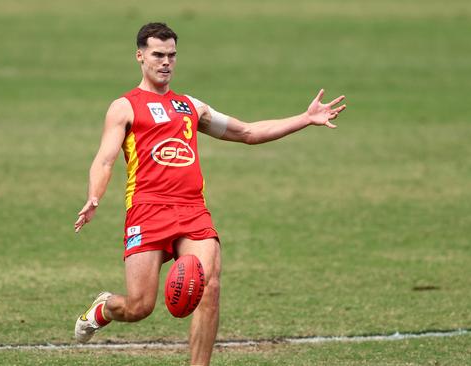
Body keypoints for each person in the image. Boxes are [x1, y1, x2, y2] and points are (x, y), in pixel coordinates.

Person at [73, 22, 346, 366]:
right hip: (147, 211)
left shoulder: (191, 106)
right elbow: (105, 158)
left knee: (210, 286)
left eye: (172, 55)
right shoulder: (124, 107)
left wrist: (305, 119)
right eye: (158, 54)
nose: (166, 62)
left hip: (192, 211)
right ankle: (104, 307)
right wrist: (95, 196)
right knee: (139, 306)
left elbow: (246, 132)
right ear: (140, 56)